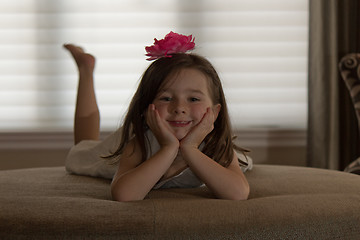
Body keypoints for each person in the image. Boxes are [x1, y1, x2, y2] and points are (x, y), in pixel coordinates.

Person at [64, 32, 252, 202]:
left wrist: (190, 149)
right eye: (166, 98)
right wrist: (168, 148)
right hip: (138, 137)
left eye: (193, 99)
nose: (179, 108)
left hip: (195, 140)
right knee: (83, 149)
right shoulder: (139, 144)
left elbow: (238, 193)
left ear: (215, 112)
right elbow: (125, 195)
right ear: (147, 107)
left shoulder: (217, 146)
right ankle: (85, 70)